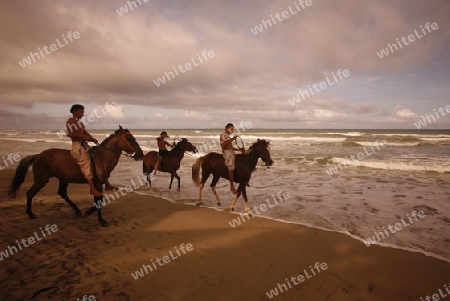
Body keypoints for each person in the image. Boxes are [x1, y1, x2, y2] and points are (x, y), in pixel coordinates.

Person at [66, 104, 103, 197]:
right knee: (86, 164)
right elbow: (71, 134)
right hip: (77, 146)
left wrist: (93, 139)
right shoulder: (70, 121)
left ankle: (107, 183)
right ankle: (92, 189)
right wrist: (87, 137)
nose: (83, 114)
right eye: (81, 112)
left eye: (83, 112)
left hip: (84, 145)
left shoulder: (81, 123)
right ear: (75, 112)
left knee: (97, 157)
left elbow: (86, 133)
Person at [220, 123, 244, 194]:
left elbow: (231, 148)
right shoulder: (223, 135)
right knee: (231, 167)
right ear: (227, 128)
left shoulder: (227, 136)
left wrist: (239, 150)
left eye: (233, 130)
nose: (232, 131)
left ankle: (242, 179)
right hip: (227, 153)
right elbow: (223, 145)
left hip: (230, 151)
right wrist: (233, 139)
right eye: (231, 129)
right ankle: (232, 186)